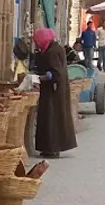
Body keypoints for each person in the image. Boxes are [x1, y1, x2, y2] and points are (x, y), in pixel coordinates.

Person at [31, 26, 78, 159]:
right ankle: (53, 148)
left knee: (50, 119)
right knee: (57, 118)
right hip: (59, 90)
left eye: (37, 41)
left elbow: (55, 73)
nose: (37, 44)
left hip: (53, 90)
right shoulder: (57, 48)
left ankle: (51, 148)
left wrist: (40, 78)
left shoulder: (51, 52)